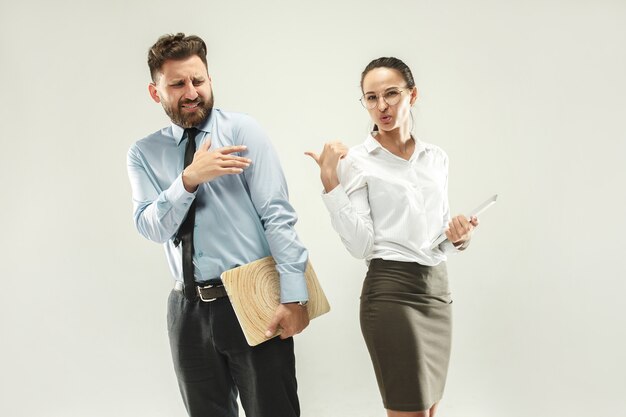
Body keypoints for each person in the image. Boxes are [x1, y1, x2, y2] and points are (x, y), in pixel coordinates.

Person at [127, 33, 310, 417]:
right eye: (177, 84)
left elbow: (277, 215)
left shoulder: (243, 132)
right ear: (154, 90)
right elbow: (151, 227)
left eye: (199, 80)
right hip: (187, 309)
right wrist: (188, 180)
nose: (191, 92)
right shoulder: (144, 153)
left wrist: (294, 297)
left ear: (210, 79)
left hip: (251, 297)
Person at [306, 57, 479, 417]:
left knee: (430, 410)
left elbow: (439, 234)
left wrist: (459, 237)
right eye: (371, 98)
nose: (381, 106)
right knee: (409, 411)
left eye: (391, 94)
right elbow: (361, 246)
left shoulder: (437, 158)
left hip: (437, 292)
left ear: (412, 95)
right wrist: (330, 184)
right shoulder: (355, 161)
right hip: (391, 293)